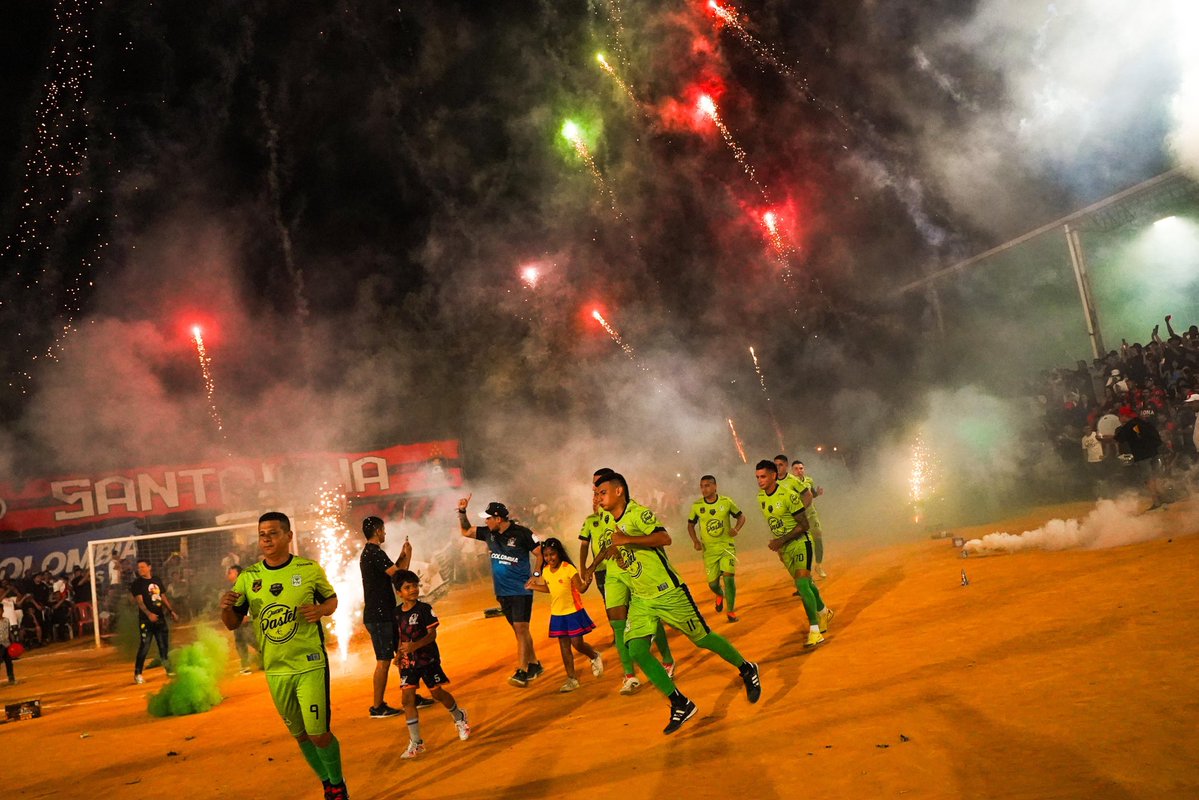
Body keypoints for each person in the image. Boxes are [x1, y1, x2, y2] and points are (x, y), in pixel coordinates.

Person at [593, 471, 760, 735]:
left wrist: (628, 540)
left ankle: (747, 668)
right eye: (596, 493)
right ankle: (680, 703)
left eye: (602, 492)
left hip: (668, 592)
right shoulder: (606, 520)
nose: (598, 497)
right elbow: (614, 547)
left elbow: (663, 538)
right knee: (636, 650)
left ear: (618, 492)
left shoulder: (638, 513)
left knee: (702, 638)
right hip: (642, 598)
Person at [220, 512, 349, 800]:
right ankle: (327, 783)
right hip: (276, 669)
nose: (266, 538)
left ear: (289, 536)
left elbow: (332, 599)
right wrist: (226, 608)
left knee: (318, 733)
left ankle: (338, 785)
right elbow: (231, 623)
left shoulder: (309, 569)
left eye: (273, 533)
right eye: (262, 534)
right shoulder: (248, 577)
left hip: (309, 664)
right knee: (300, 735)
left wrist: (322, 610)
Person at [578, 468, 674, 695]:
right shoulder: (597, 515)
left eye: (599, 488)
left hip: (633, 569)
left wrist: (622, 554)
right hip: (612, 573)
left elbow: (637, 538)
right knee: (617, 623)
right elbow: (602, 543)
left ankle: (667, 659)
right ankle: (630, 675)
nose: (596, 492)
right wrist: (591, 567)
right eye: (594, 488)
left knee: (650, 615)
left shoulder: (627, 509)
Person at [457, 494, 544, 687]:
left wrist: (537, 575)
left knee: (521, 629)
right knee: (519, 630)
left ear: (498, 519)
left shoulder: (522, 533)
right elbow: (465, 531)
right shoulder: (489, 533)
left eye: (488, 518)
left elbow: (539, 553)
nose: (485, 521)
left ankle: (521, 671)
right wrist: (462, 512)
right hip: (502, 591)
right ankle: (534, 664)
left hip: (521, 590)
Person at [391, 569, 471, 759]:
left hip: (427, 659)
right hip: (408, 662)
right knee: (407, 700)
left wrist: (415, 646)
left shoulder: (424, 610)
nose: (413, 590)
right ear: (399, 592)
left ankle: (459, 717)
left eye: (415, 586)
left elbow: (432, 635)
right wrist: (398, 654)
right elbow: (400, 637)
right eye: (407, 587)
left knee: (437, 693)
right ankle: (416, 742)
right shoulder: (396, 614)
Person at [755, 460, 833, 647]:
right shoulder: (761, 498)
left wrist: (780, 541)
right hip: (785, 549)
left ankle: (814, 631)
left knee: (802, 584)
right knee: (807, 583)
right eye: (757, 477)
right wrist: (780, 547)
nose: (759, 480)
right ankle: (824, 612)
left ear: (774, 475)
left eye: (763, 476)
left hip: (800, 544)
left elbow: (804, 525)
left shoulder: (789, 495)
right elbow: (776, 524)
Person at [358, 515, 420, 718]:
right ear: (377, 531)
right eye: (383, 530)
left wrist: (402, 556)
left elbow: (393, 571)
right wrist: (407, 556)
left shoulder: (372, 553)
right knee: (384, 660)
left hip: (384, 614)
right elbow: (400, 578)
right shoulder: (374, 553)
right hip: (379, 616)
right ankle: (377, 706)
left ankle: (410, 694)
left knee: (401, 654)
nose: (385, 533)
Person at [527, 537, 603, 692]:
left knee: (577, 644)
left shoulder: (569, 568)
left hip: (573, 612)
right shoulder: (546, 571)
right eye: (546, 556)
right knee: (564, 647)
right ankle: (571, 679)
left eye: (552, 554)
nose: (549, 558)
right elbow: (550, 589)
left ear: (559, 553)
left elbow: (581, 589)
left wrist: (588, 581)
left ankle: (594, 655)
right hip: (557, 614)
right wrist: (534, 586)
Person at [686, 475, 745, 622]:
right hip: (709, 551)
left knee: (729, 578)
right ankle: (719, 594)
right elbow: (690, 525)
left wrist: (736, 529)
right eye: (701, 486)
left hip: (726, 547)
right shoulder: (697, 506)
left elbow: (741, 517)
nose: (704, 489)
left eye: (707, 486)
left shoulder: (726, 502)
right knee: (713, 584)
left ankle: (730, 612)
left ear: (715, 486)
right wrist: (695, 541)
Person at [130, 559, 178, 684]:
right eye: (139, 567)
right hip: (146, 621)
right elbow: (140, 602)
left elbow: (162, 597)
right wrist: (149, 614)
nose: (140, 569)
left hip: (160, 618)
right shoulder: (137, 584)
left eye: (143, 567)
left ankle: (169, 670)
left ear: (149, 567)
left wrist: (171, 610)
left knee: (163, 646)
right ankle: (138, 673)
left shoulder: (157, 580)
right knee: (144, 646)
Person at [1113, 406, 1165, 509]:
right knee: (1155, 477)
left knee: (1148, 479)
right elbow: (1156, 435)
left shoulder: (1128, 426)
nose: (1119, 418)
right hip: (1154, 453)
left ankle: (1156, 502)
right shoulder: (1141, 422)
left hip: (1142, 456)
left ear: (1124, 416)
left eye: (1120, 416)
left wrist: (1102, 438)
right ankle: (1162, 497)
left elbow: (1119, 438)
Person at [790, 460, 829, 579]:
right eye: (796, 468)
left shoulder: (808, 480)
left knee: (818, 537)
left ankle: (819, 565)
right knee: (802, 545)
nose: (799, 470)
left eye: (801, 468)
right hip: (798, 518)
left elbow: (812, 494)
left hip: (811, 514)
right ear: (792, 471)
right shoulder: (789, 484)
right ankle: (805, 572)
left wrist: (817, 493)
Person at [225, 565, 259, 674]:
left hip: (246, 619)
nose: (228, 574)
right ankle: (245, 665)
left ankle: (270, 658)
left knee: (253, 640)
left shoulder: (245, 584)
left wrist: (247, 615)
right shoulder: (234, 587)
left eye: (231, 572)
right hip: (237, 619)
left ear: (237, 574)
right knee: (239, 641)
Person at [0, 615, 16, 684]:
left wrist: (12, 642)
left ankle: (11, 677)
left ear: (2, 611)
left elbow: (9, 632)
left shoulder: (6, 620)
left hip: (6, 644)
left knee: (9, 662)